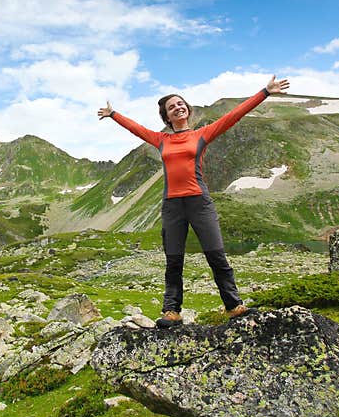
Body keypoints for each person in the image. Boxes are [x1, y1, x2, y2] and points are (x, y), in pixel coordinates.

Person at [97, 75, 290, 328]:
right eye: (171, 107)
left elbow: (233, 116)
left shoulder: (201, 135)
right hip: (172, 206)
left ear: (187, 109)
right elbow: (136, 129)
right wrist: (113, 114)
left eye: (181, 104)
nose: (178, 107)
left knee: (216, 256)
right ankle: (172, 312)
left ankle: (233, 306)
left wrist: (264, 92)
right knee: (174, 260)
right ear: (167, 117)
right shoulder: (161, 139)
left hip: (200, 203)